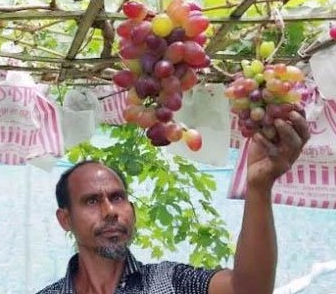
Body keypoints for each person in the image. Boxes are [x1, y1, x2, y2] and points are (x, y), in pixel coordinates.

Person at [37, 110, 310, 294]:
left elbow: (248, 289)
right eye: (92, 201)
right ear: (65, 219)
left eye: (117, 197)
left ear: (131, 210)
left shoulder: (169, 282)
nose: (110, 211)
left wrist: (259, 188)